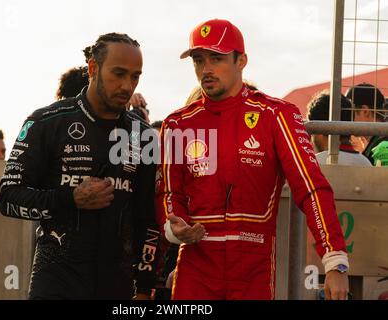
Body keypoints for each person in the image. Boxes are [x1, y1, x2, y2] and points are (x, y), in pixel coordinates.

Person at [155, 18, 349, 300]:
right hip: (195, 265)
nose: (205, 69)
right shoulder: (177, 123)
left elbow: (311, 188)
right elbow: (170, 192)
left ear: (241, 60)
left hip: (252, 267)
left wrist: (334, 260)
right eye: (198, 60)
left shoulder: (275, 114)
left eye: (216, 58)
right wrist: (175, 227)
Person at [0, 32, 159, 300]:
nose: (127, 85)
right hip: (57, 279)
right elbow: (7, 197)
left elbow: (147, 217)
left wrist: (144, 286)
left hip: (117, 283)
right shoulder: (46, 122)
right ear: (93, 68)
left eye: (135, 76)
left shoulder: (144, 135)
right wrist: (70, 198)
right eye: (118, 73)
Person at [307, 90, 371, 166]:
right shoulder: (365, 162)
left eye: (311, 133)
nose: (311, 140)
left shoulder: (313, 164)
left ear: (318, 129)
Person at [345, 83, 387, 165]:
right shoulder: (375, 144)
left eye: (349, 113)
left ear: (365, 111)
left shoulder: (382, 147)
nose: (346, 118)